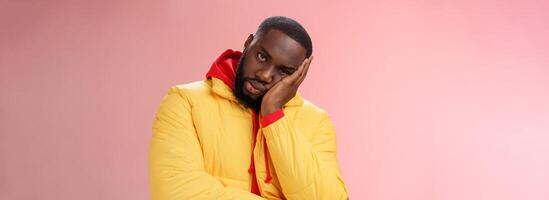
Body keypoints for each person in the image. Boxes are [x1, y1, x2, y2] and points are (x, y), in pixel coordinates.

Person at [149, 16, 348, 200]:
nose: (265, 75)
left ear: (298, 76)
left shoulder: (317, 121)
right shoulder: (185, 101)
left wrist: (273, 115)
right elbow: (175, 191)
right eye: (262, 57)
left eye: (284, 72)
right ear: (247, 44)